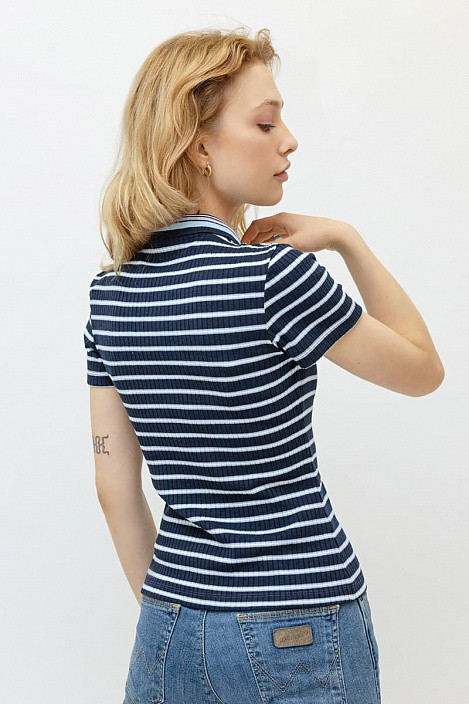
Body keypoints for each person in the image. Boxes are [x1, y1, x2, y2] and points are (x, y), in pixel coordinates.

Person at [83, 26, 444, 704]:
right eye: (266, 122)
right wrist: (347, 240)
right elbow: (423, 370)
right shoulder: (273, 277)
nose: (289, 141)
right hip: (297, 624)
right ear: (198, 145)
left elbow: (114, 488)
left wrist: (174, 620)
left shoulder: (111, 295)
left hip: (168, 623)